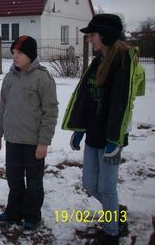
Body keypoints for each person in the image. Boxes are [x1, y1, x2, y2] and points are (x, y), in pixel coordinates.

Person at [62, 14, 146, 244]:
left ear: (105, 35)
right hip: (94, 133)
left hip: (112, 138)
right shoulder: (98, 60)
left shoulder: (123, 63)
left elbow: (120, 105)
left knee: (106, 187)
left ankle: (112, 233)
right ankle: (116, 213)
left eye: (92, 34)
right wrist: (79, 128)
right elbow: (87, 98)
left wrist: (114, 139)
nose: (89, 39)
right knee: (90, 184)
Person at [0, 35, 58, 233]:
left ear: (30, 54)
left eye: (19, 53)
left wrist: (44, 142)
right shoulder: (9, 76)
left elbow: (50, 112)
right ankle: (13, 212)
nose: (15, 56)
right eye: (13, 53)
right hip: (12, 140)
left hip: (33, 143)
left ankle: (31, 217)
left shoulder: (43, 78)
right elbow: (3, 107)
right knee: (14, 180)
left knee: (34, 182)